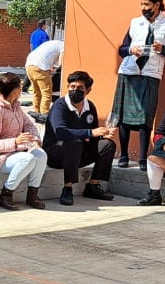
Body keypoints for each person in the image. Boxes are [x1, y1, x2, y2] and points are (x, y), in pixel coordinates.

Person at [111, 0, 165, 169]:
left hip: (151, 73)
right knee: (124, 117)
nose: (143, 7)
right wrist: (130, 50)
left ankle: (143, 157)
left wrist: (162, 49)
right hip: (129, 71)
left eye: (147, 4)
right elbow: (122, 48)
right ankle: (124, 155)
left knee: (145, 115)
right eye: (141, 4)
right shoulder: (135, 23)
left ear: (157, 4)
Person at [43, 70, 116, 205]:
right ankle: (67, 188)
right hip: (56, 153)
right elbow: (61, 132)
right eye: (72, 87)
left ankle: (93, 186)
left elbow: (92, 135)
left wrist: (102, 135)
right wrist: (90, 133)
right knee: (74, 142)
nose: (75, 90)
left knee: (108, 144)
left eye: (80, 88)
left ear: (88, 90)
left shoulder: (90, 107)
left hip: (79, 153)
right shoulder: (60, 106)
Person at [0, 72, 47, 210]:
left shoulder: (15, 106)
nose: (21, 90)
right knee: (28, 159)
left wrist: (35, 139)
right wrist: (15, 142)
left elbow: (29, 125)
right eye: (20, 87)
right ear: (15, 90)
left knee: (40, 155)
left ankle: (32, 194)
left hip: (16, 151)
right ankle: (6, 194)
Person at [25, 38, 64, 117]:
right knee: (46, 93)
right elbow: (61, 63)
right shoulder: (63, 46)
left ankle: (36, 111)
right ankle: (44, 113)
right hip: (40, 66)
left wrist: (51, 69)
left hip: (29, 65)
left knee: (37, 92)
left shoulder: (53, 43)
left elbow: (49, 59)